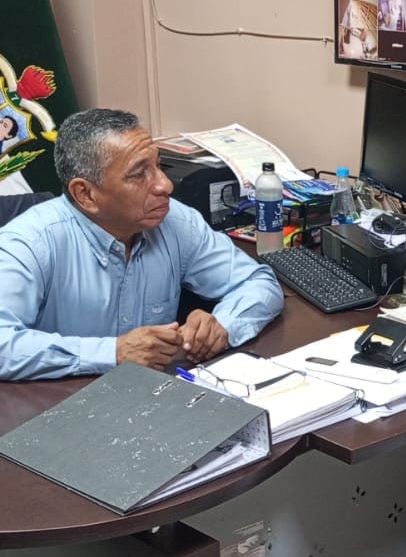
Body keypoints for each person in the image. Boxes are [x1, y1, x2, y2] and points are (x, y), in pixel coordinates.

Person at [0, 107, 284, 380]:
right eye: (138, 174)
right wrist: (111, 353)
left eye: (157, 165)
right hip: (59, 402)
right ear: (85, 194)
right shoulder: (30, 243)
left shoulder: (176, 221)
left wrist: (223, 325)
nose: (165, 185)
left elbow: (258, 282)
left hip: (155, 395)